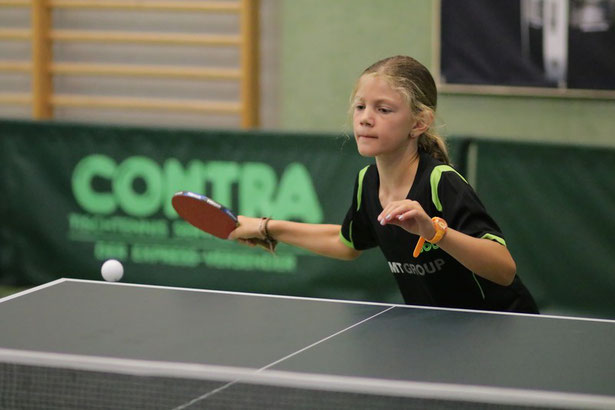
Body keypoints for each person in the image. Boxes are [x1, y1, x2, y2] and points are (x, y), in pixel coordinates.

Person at [229, 55, 539, 314]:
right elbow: (346, 244)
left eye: (383, 109)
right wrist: (267, 228)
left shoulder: (440, 182)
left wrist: (434, 232)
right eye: (361, 106)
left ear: (419, 123)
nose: (365, 118)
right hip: (437, 330)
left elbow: (504, 268)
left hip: (498, 326)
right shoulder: (368, 182)